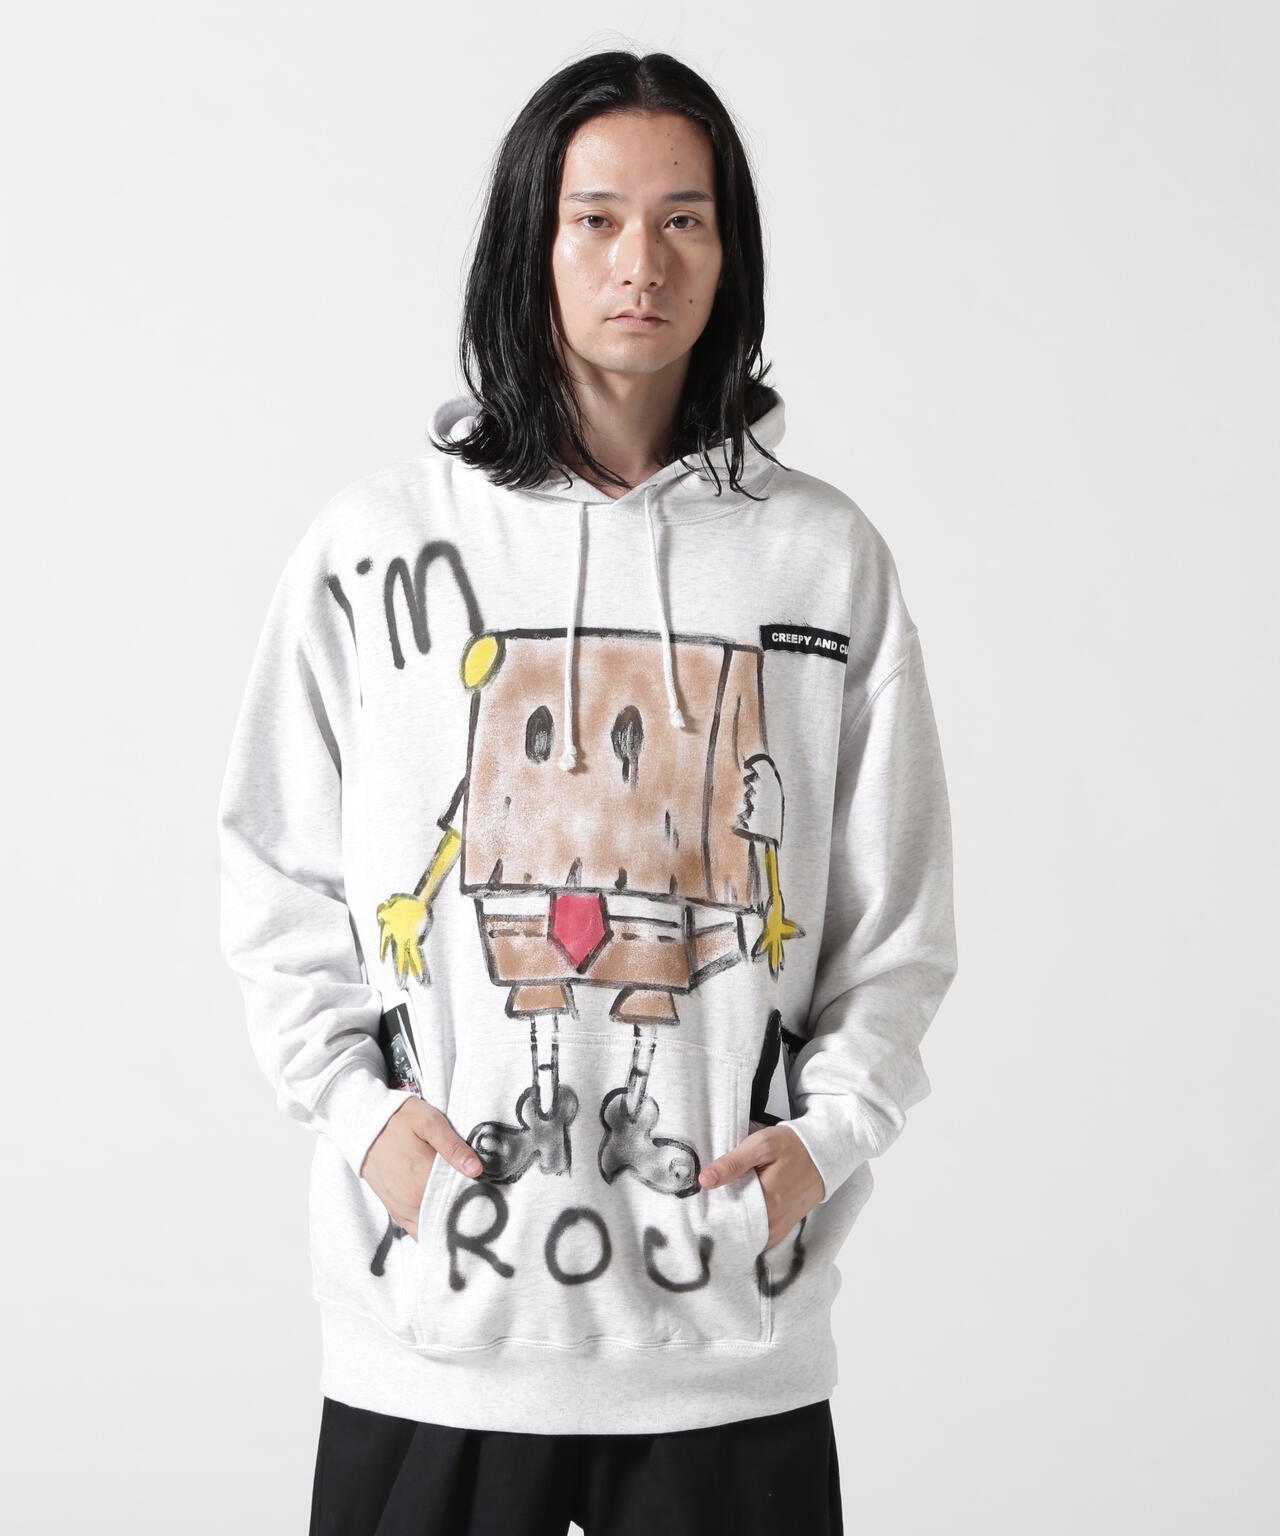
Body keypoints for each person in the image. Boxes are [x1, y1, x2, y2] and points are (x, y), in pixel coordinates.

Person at [217, 49, 958, 1536]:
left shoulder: (822, 560)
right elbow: (275, 872)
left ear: (731, 251)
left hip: (724, 1350)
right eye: (597, 218)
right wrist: (360, 1117)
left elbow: (896, 922)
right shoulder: (376, 547)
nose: (641, 264)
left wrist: (821, 1144)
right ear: (530, 243)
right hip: (435, 1340)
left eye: (685, 220)